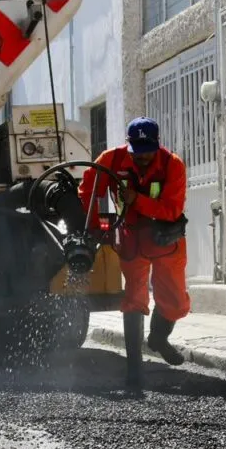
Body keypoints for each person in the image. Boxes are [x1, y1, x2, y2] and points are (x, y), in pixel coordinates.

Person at [79, 117, 191, 386]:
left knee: (175, 302)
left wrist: (136, 201)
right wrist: (95, 226)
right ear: (128, 145)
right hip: (131, 239)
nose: (143, 158)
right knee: (134, 298)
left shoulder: (172, 165)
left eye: (148, 152)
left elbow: (171, 210)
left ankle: (158, 339)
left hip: (165, 239)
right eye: (137, 152)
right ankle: (134, 370)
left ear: (157, 144)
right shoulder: (112, 160)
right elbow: (88, 191)